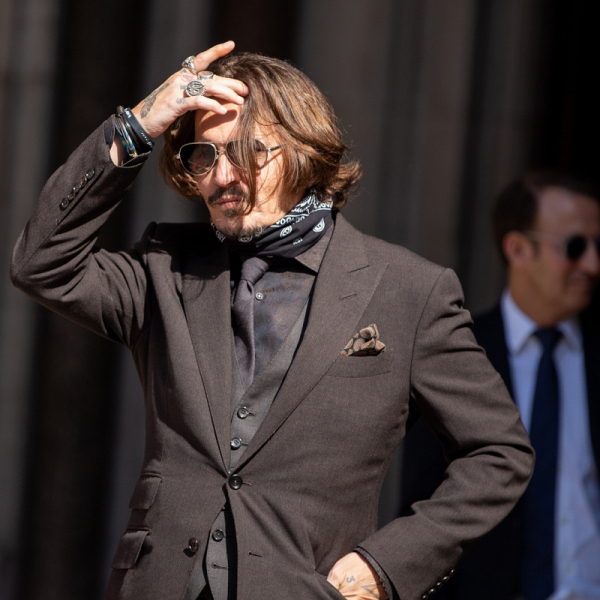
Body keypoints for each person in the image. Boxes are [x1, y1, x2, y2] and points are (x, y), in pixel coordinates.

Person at [10, 42, 534, 600]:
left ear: (303, 149)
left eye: (246, 152)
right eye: (203, 156)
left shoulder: (408, 290)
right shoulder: (165, 268)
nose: (222, 176)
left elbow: (498, 453)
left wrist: (384, 567)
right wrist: (136, 126)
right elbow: (41, 263)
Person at [401, 170, 600, 600]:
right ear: (518, 248)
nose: (592, 265)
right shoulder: (453, 352)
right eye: (575, 246)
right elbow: (424, 509)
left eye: (597, 246)